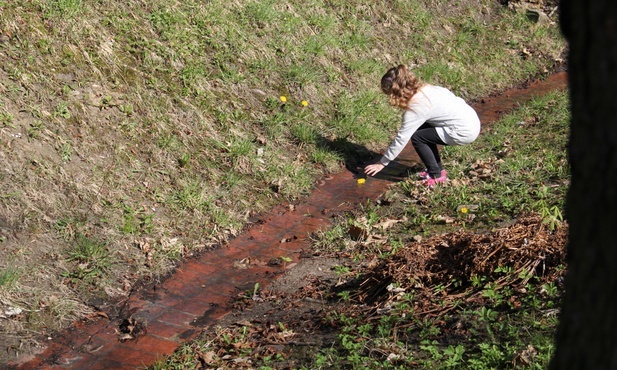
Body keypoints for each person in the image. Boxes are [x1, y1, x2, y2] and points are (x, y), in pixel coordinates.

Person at [364, 64, 481, 186]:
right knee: (422, 129)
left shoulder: (415, 108)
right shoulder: (429, 89)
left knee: (418, 137)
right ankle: (438, 170)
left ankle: (436, 175)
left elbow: (401, 139)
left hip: (464, 131)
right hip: (472, 120)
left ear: (395, 95)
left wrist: (382, 163)